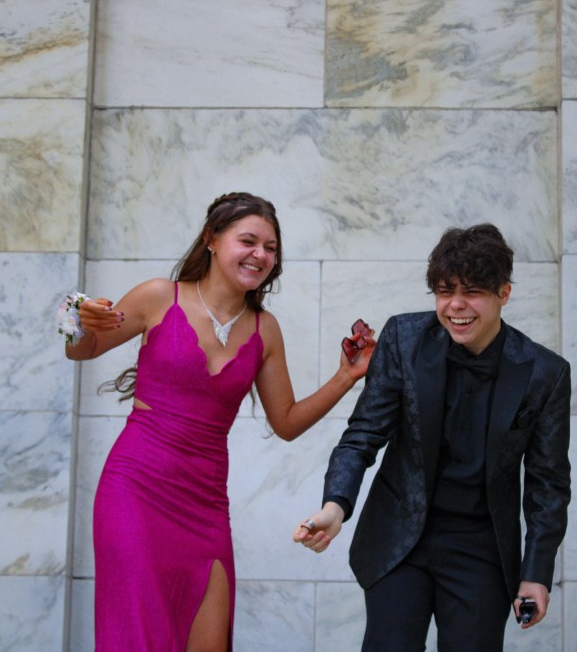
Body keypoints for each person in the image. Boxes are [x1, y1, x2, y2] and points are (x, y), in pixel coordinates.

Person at [64, 192, 374, 651]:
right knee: (137, 636)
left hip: (205, 504)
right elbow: (83, 349)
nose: (260, 255)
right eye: (248, 241)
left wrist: (346, 376)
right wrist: (76, 316)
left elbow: (287, 422)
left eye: (270, 248)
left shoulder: (265, 329)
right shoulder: (158, 296)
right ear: (211, 239)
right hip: (135, 490)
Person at [293, 224, 571, 651]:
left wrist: (536, 573)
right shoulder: (403, 340)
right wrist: (336, 506)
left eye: (473, 292)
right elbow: (363, 434)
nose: (456, 305)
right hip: (398, 537)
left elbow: (547, 484)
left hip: (480, 548)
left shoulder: (544, 373)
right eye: (444, 291)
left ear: (504, 293)